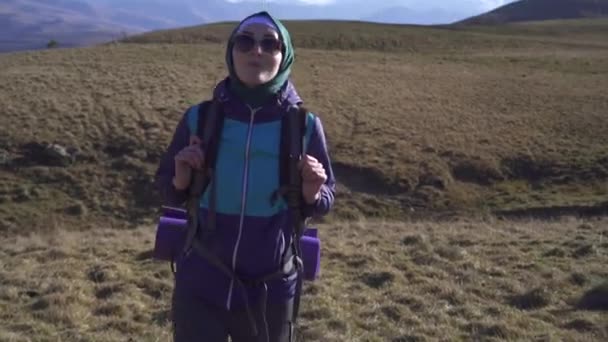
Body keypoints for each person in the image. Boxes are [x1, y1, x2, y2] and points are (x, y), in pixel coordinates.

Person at [154, 11, 336, 342]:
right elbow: (168, 192)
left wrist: (314, 191)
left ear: (284, 56)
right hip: (200, 280)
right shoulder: (199, 119)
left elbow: (324, 202)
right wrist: (180, 179)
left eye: (270, 43)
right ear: (231, 52)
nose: (257, 51)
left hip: (272, 286)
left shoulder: (305, 126)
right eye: (245, 41)